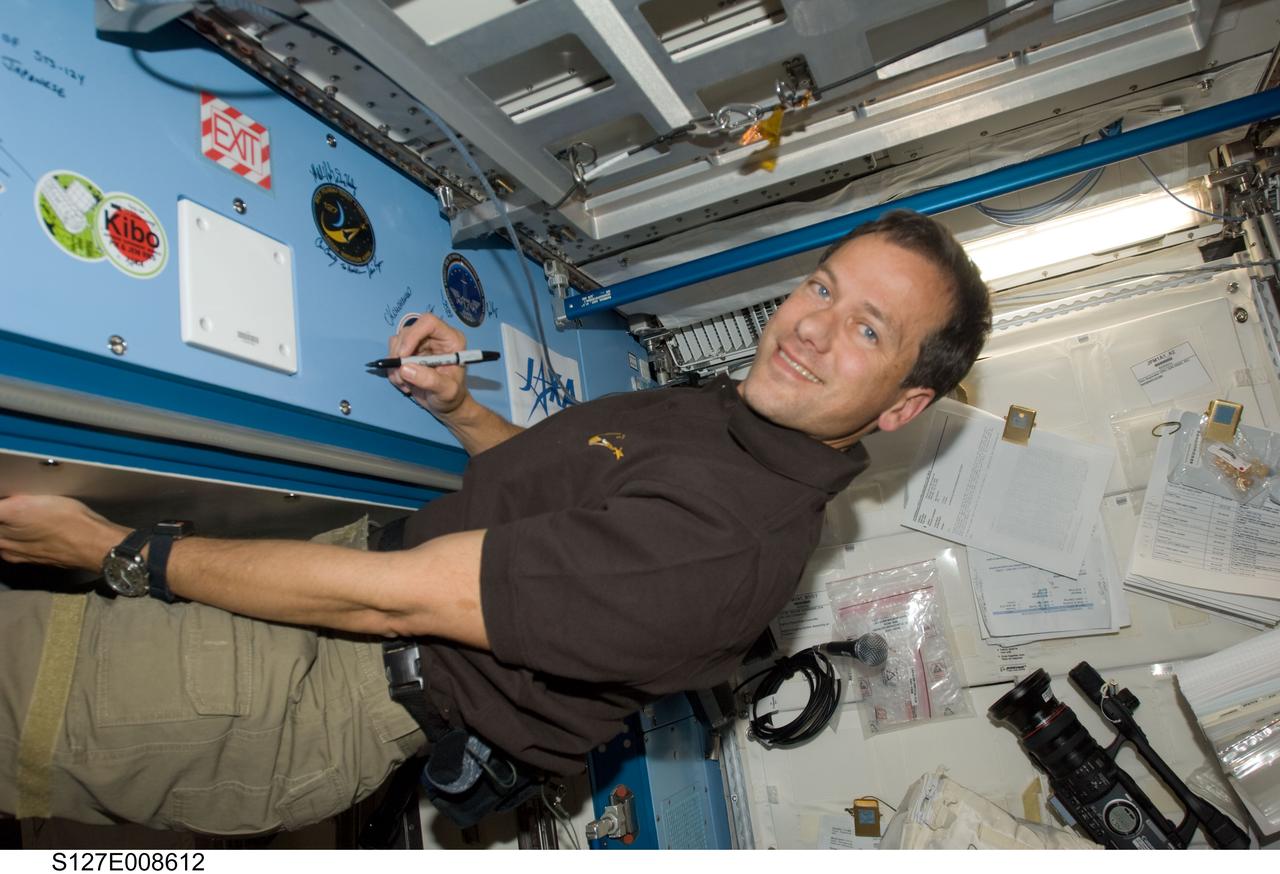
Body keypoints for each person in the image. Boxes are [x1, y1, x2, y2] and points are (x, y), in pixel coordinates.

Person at [0, 210, 991, 835]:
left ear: (902, 403)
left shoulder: (725, 546)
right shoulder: (734, 420)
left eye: (867, 329)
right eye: (822, 286)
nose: (811, 327)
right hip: (335, 612)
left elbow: (393, 600)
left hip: (309, 685)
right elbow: (571, 495)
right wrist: (460, 409)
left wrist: (120, 552)